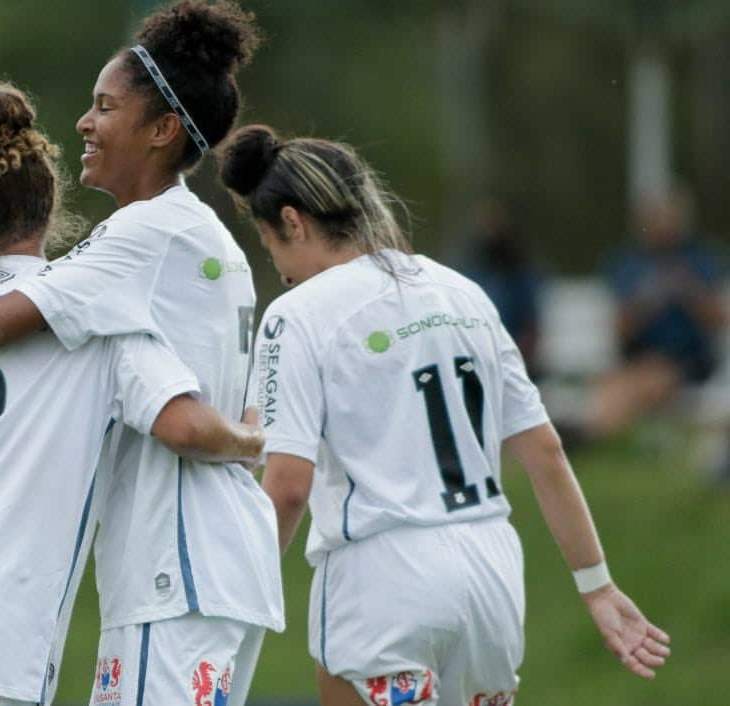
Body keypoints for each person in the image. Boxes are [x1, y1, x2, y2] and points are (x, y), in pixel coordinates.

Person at [0, 3, 284, 704]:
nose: (85, 124)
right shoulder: (185, 231)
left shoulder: (145, 236)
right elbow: (33, 321)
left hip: (174, 565)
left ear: (160, 130)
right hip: (209, 566)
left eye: (104, 107)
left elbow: (8, 319)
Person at [219, 125, 671, 706]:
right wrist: (598, 587)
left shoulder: (296, 314)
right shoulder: (464, 293)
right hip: (491, 572)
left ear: (294, 223)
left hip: (380, 579)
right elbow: (545, 451)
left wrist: (238, 603)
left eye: (270, 245)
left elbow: (286, 489)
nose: (279, 269)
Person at [581, 187, 725, 442]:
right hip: (638, 359)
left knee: (649, 377)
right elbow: (619, 329)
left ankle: (592, 437)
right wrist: (646, 302)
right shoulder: (627, 262)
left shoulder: (701, 258)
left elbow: (718, 318)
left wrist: (688, 289)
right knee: (615, 382)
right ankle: (593, 434)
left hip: (688, 362)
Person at [461, 196, 542, 378]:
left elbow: (531, 328)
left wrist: (511, 361)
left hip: (513, 363)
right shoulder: (472, 271)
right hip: (478, 363)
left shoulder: (521, 274)